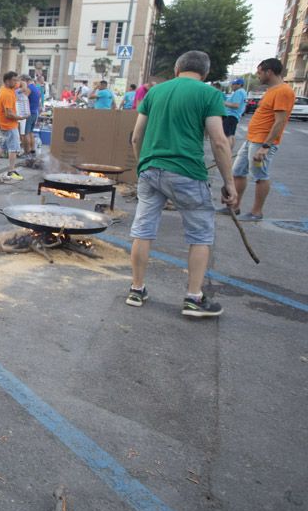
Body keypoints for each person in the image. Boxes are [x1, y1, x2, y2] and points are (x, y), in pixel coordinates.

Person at [126, 50, 236, 317]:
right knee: (200, 234)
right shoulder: (209, 94)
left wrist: (142, 165)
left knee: (143, 229)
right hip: (187, 171)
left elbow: (136, 136)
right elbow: (219, 141)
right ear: (205, 73)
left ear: (177, 69)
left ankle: (136, 289)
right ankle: (193, 297)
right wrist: (229, 183)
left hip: (150, 169)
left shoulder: (154, 92)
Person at [228, 59, 295, 221]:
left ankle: (256, 212)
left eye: (259, 73)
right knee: (237, 172)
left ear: (269, 72)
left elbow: (280, 121)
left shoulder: (283, 91)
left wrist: (266, 146)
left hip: (262, 142)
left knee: (260, 175)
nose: (258, 76)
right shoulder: (272, 90)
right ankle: (234, 207)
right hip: (252, 139)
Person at [221, 79, 247, 151]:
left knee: (227, 135)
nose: (232, 86)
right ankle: (229, 152)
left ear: (239, 85)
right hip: (235, 116)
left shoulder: (238, 92)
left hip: (230, 115)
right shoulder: (243, 92)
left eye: (233, 84)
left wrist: (222, 102)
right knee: (231, 135)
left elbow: (235, 105)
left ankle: (226, 152)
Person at [23, 74, 42, 155]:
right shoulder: (36, 88)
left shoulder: (29, 88)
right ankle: (33, 149)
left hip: (29, 112)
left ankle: (27, 151)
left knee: (26, 133)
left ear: (25, 81)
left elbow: (23, 99)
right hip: (35, 112)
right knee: (31, 132)